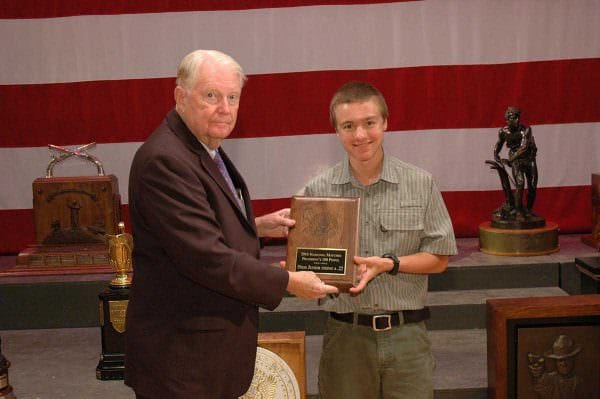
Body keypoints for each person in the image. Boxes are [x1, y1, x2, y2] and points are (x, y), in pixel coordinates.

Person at [124, 49, 338, 399]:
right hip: (181, 362)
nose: (225, 108)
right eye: (211, 96)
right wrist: (288, 282)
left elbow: (193, 227)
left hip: (203, 358)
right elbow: (206, 257)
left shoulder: (199, 146)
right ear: (180, 96)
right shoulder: (166, 160)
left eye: (233, 97)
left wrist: (255, 226)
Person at [300, 82, 457, 399]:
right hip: (346, 338)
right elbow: (309, 266)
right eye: (348, 126)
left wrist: (390, 264)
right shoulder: (317, 192)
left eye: (369, 123)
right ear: (337, 131)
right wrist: (296, 272)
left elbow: (440, 258)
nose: (360, 135)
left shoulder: (420, 183)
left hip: (407, 339)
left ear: (385, 122)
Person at [493, 106, 538, 220]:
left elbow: (523, 147)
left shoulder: (526, 129)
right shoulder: (503, 131)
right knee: (520, 183)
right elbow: (499, 144)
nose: (509, 120)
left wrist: (509, 160)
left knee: (532, 185)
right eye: (508, 118)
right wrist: (496, 154)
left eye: (513, 117)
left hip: (529, 159)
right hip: (516, 160)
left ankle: (528, 210)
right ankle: (518, 212)